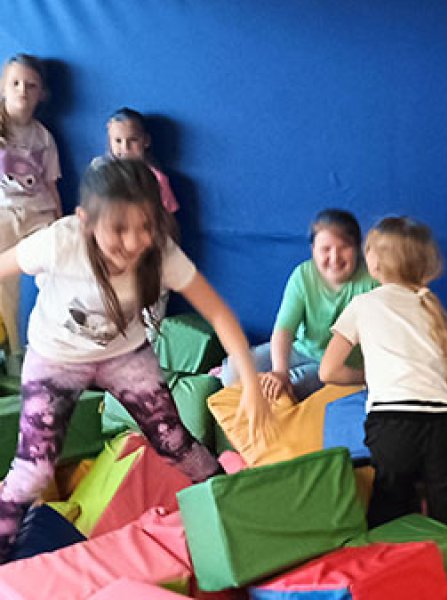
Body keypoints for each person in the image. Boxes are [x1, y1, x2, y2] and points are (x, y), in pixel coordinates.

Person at [0, 158, 268, 562]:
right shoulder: (61, 242)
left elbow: (218, 314)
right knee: (33, 472)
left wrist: (249, 383)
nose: (134, 241)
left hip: (124, 355)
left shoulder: (159, 253)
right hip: (56, 357)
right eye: (119, 229)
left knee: (176, 444)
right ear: (86, 221)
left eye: (145, 226)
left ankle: (235, 517)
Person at [320, 216, 447, 532]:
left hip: (394, 426)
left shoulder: (363, 303)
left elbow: (328, 371)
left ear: (375, 261)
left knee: (391, 518)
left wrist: (367, 376)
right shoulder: (431, 306)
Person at [219, 208, 377, 402]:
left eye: (344, 247)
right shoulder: (303, 275)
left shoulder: (371, 282)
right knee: (232, 372)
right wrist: (279, 370)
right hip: (301, 350)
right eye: (326, 249)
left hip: (336, 367)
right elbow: (284, 329)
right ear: (313, 250)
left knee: (286, 389)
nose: (335, 257)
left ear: (358, 248)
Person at [0, 54, 63, 357]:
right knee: (5, 286)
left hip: (38, 214)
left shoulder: (43, 137)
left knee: (58, 273)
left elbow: (51, 185)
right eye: (15, 83)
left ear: (42, 94)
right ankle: (14, 351)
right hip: (3, 215)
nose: (22, 90)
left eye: (31, 85)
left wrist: (60, 223)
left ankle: (52, 345)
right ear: (3, 87)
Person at [99, 107, 179, 338]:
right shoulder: (103, 175)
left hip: (149, 260)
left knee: (149, 321)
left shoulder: (156, 179)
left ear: (145, 141)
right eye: (118, 141)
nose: (124, 148)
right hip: (115, 261)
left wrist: (165, 256)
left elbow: (169, 221)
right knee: (113, 315)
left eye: (132, 141)